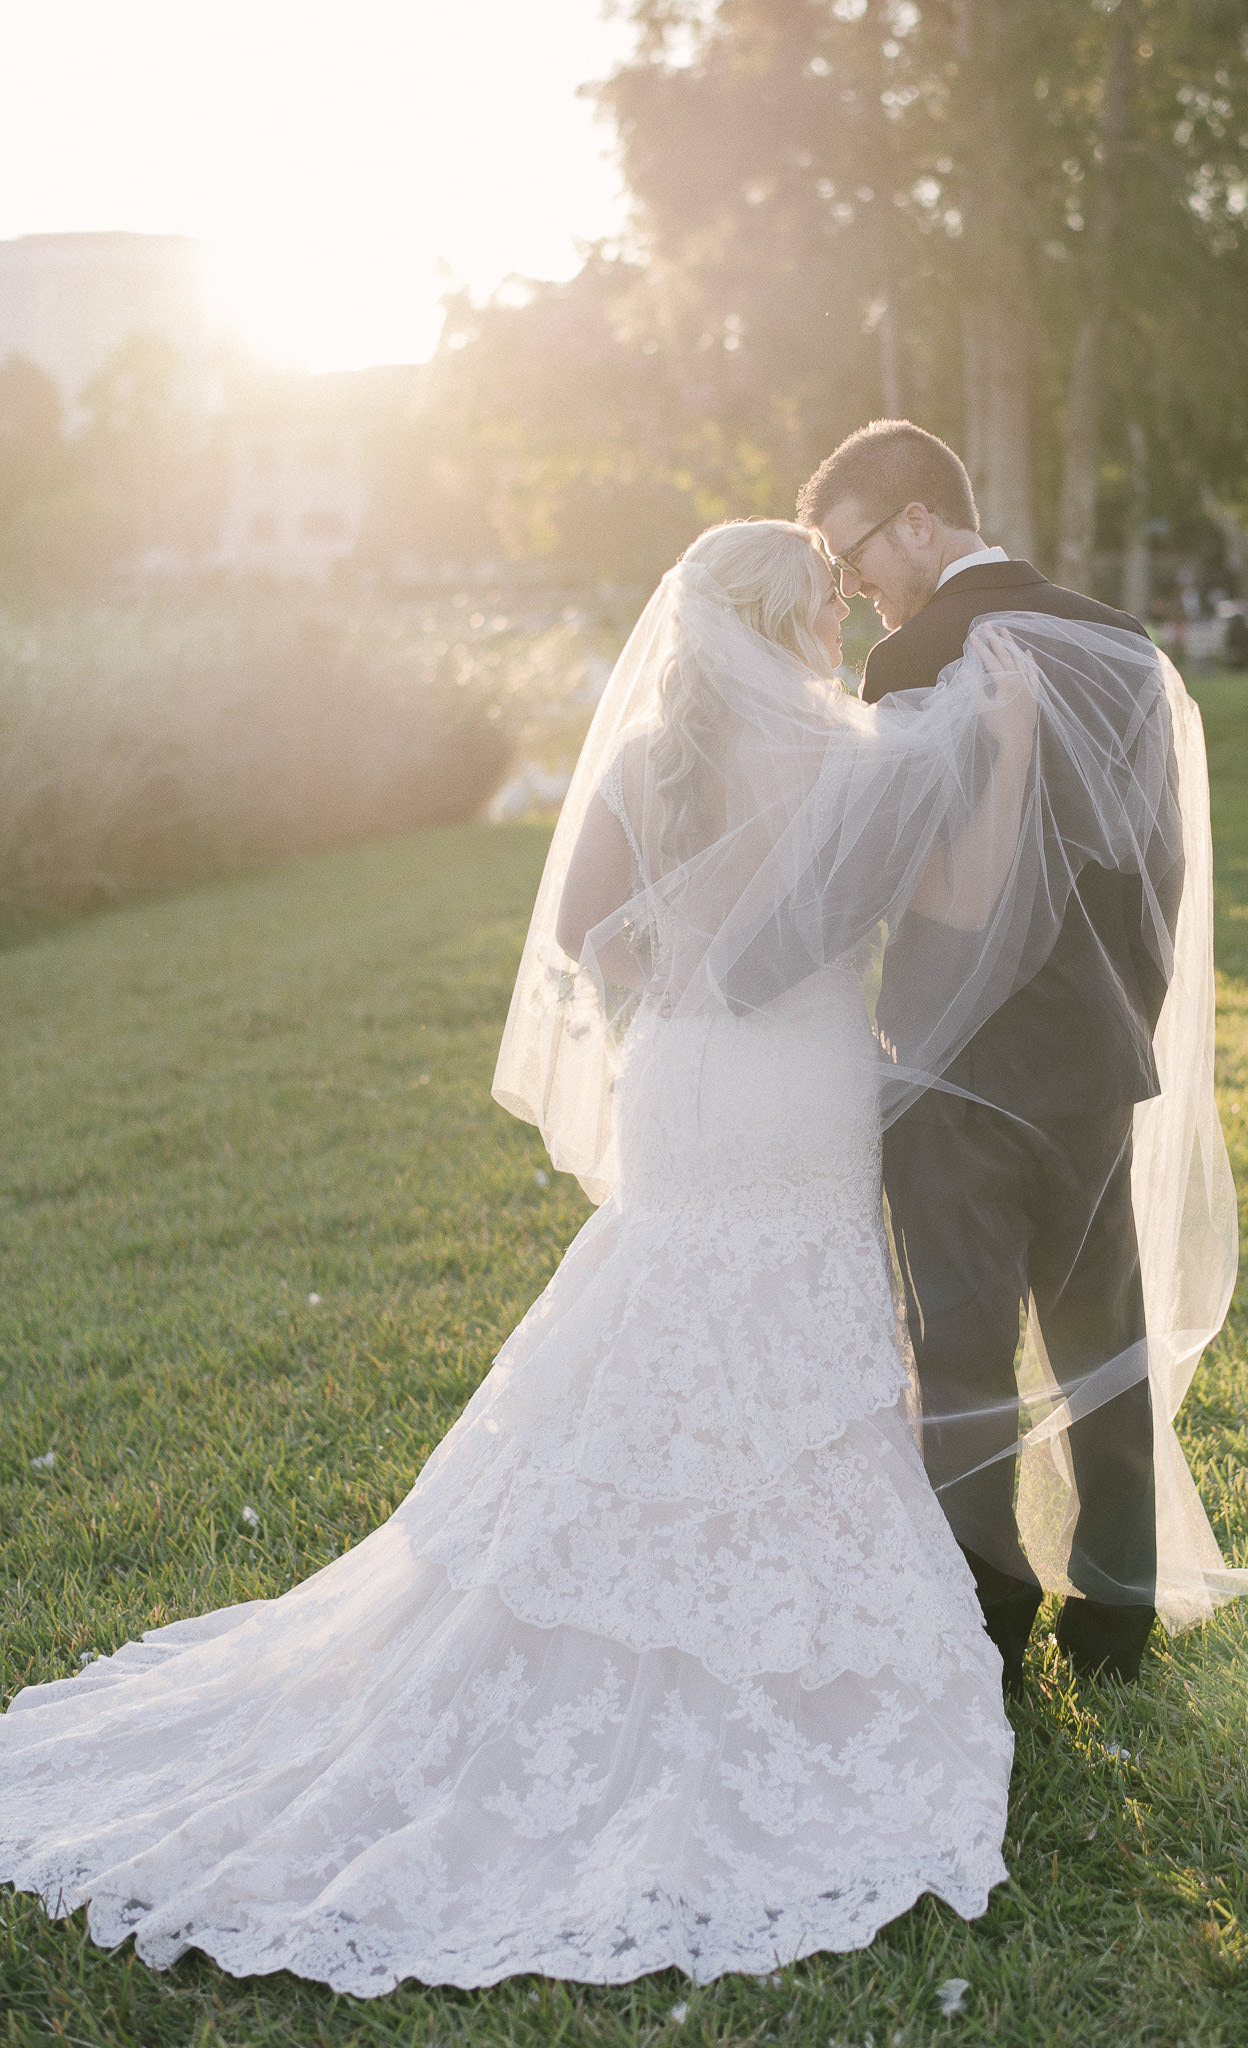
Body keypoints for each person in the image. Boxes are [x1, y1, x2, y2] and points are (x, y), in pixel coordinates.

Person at [1, 520, 1049, 1996]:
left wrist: (682, 974)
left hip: (690, 1087)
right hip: (803, 1088)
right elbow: (963, 897)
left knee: (663, 1302)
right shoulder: (860, 751)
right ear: (793, 622)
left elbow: (580, 932)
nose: (835, 620)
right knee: (791, 1322)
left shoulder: (646, 760)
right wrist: (999, 748)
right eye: (824, 600)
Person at [799, 418, 1248, 1691]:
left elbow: (903, 879)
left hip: (954, 1074)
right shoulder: (1121, 640)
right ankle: (1115, 1610)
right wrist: (1124, 1019)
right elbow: (1159, 866)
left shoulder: (914, 661)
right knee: (1099, 1337)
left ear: (919, 523)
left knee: (957, 1351)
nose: (854, 589)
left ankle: (985, 1612)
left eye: (856, 556)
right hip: (1093, 1059)